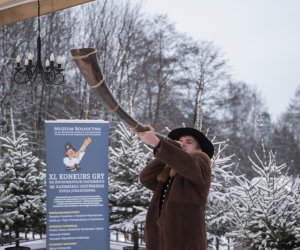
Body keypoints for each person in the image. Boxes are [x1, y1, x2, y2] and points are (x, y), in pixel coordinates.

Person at [136, 125, 214, 250]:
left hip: (185, 242)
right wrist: (164, 156)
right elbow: (145, 178)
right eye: (180, 142)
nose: (183, 144)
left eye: (189, 142)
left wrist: (158, 144)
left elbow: (187, 164)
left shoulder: (201, 164)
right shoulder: (169, 172)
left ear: (198, 149)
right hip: (160, 239)